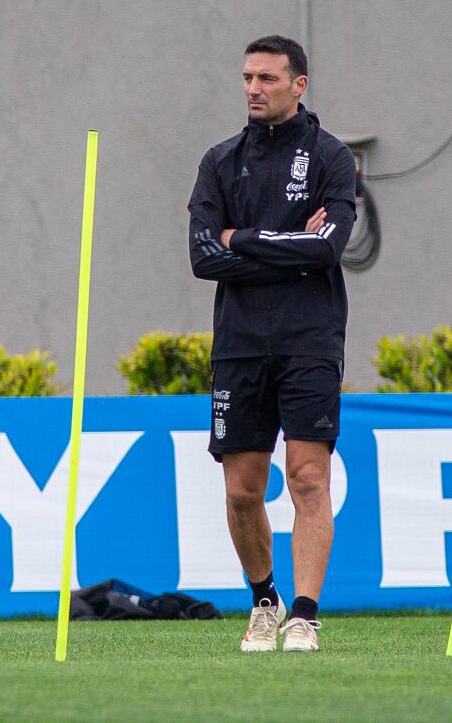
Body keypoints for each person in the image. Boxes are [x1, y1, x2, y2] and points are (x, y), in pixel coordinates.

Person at [187, 35, 356, 652]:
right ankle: (265, 600)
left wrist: (241, 238)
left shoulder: (333, 158)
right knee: (241, 490)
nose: (253, 88)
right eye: (247, 78)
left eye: (267, 78)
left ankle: (305, 614)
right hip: (238, 344)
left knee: (308, 477)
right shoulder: (219, 160)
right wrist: (286, 247)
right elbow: (203, 257)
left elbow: (329, 249)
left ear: (298, 84)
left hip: (310, 340)